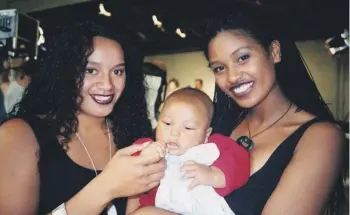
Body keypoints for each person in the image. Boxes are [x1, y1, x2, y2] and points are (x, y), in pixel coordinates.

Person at [132, 7, 346, 215]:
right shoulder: (216, 123)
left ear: (274, 51)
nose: (232, 77)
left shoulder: (321, 137)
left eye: (243, 58)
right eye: (219, 68)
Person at [0, 21, 165, 215]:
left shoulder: (133, 133)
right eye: (91, 70)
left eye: (118, 71)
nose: (107, 85)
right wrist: (106, 186)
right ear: (65, 71)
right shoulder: (19, 136)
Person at [127, 88, 250, 215]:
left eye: (188, 128)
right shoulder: (151, 147)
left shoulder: (212, 147)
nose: (174, 133)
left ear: (206, 134)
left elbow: (240, 159)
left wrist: (213, 174)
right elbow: (128, 164)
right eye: (167, 123)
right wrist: (145, 157)